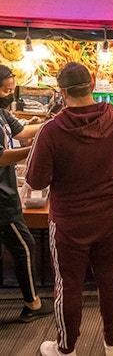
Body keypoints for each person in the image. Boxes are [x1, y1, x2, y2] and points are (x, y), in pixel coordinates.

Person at [26, 63, 113, 356]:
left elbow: (35, 180)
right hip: (111, 213)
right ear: (94, 82)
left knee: (68, 285)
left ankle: (66, 348)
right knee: (110, 278)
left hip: (69, 220)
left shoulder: (50, 131)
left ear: (62, 93)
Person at [0, 65, 54, 322]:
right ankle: (32, 304)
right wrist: (29, 152)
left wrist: (53, 124)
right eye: (4, 89)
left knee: (21, 245)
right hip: (2, 200)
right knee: (24, 246)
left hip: (9, 192)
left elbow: (22, 131)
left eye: (11, 89)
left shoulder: (1, 113)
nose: (8, 94)